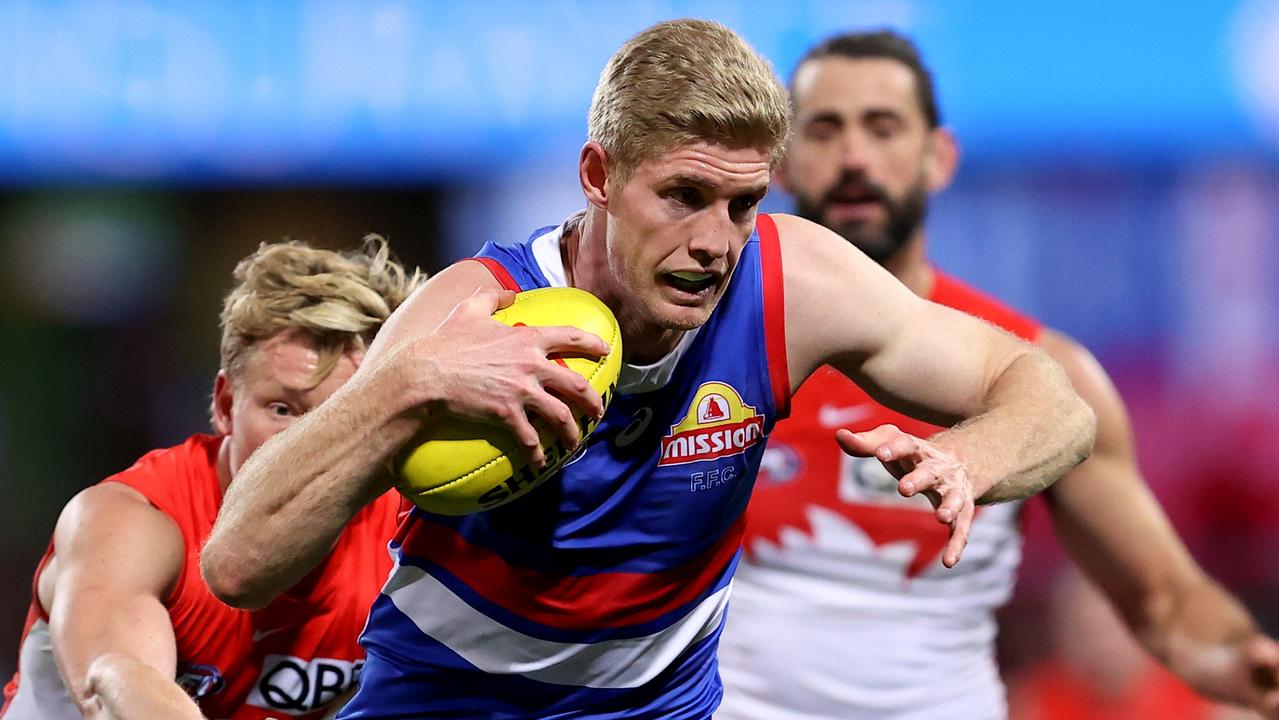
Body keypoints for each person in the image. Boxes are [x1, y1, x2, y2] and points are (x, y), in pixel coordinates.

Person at [200, 19, 1095, 719]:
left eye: (742, 204)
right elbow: (238, 563)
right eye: (682, 196)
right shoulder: (475, 308)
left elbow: (1050, 397)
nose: (713, 243)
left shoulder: (793, 282)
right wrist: (408, 383)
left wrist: (971, 459)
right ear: (597, 173)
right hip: (445, 700)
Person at [714, 29, 1279, 720]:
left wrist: (1236, 655)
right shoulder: (706, 349)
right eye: (824, 130)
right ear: (782, 166)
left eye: (883, 128)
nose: (854, 157)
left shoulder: (1039, 376)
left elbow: (1164, 601)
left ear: (938, 159)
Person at [0, 238, 602, 720]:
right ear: (225, 404)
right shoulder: (130, 520)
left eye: (341, 415)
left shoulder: (408, 530)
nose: (306, 445)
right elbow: (114, 682)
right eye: (283, 409)